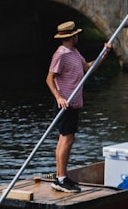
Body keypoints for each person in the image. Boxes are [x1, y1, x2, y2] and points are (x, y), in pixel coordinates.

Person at [45, 20, 111, 193]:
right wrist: (59, 97)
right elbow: (49, 79)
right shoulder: (60, 54)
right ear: (72, 36)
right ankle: (60, 179)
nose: (78, 36)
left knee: (66, 139)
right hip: (65, 103)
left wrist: (103, 54)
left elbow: (88, 68)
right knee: (66, 139)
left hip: (74, 102)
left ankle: (61, 176)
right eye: (76, 34)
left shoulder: (74, 52)